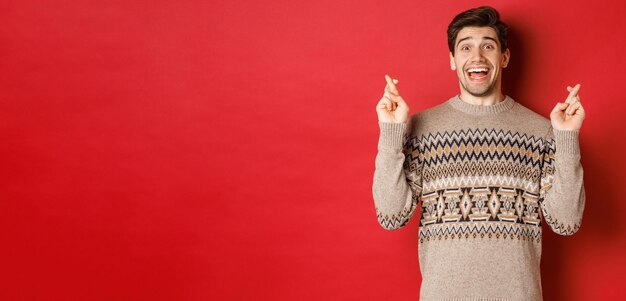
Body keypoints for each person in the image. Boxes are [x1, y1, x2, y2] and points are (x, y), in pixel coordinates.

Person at [372, 6, 585, 301]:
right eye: (466, 47)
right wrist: (391, 133)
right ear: (452, 60)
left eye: (488, 46)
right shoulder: (422, 128)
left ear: (504, 57)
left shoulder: (542, 131)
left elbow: (567, 221)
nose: (477, 57)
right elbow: (390, 215)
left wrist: (567, 137)